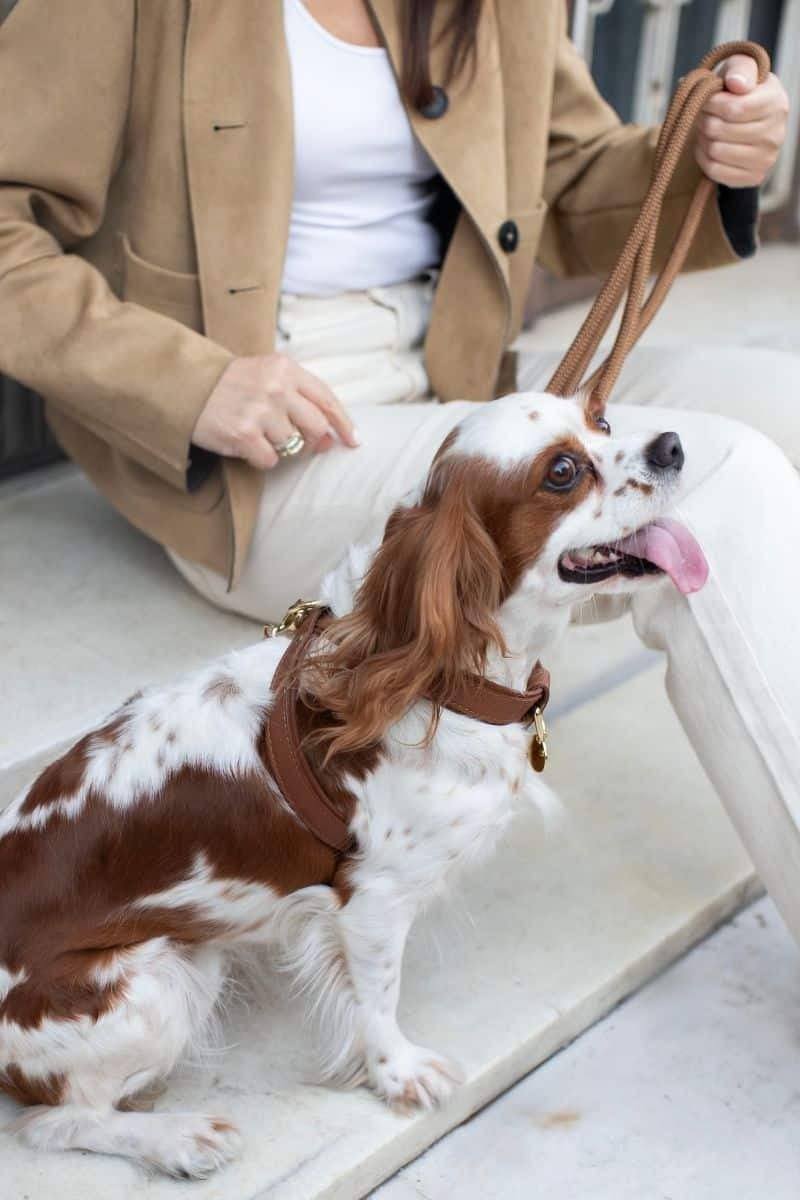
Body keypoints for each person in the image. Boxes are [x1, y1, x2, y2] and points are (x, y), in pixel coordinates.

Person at [0, 1, 799, 941]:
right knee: (726, 477)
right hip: (271, 449)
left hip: (461, 396)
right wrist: (186, 383)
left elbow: (579, 182)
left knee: (777, 398)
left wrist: (709, 155)